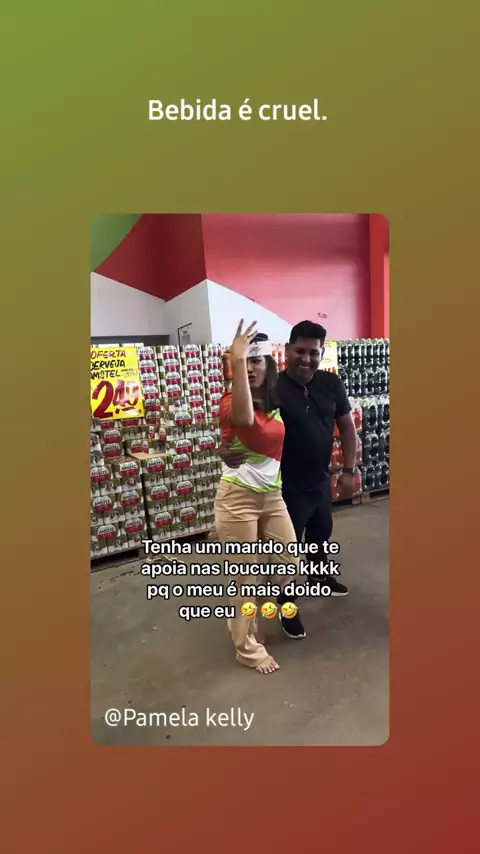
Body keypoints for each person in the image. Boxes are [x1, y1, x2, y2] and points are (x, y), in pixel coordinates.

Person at [219, 320, 358, 640]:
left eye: (313, 352)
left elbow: (347, 427)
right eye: (300, 351)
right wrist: (222, 448)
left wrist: (349, 470)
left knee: (321, 535)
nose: (306, 359)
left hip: (320, 480)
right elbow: (239, 421)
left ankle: (320, 577)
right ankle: (287, 606)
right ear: (287, 350)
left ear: (321, 353)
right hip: (284, 486)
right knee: (286, 558)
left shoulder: (331, 383)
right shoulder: (272, 386)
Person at [214, 321, 304, 675]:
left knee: (289, 563)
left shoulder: (275, 404)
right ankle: (248, 649)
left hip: (272, 497)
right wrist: (237, 362)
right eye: (244, 361)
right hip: (237, 499)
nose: (250, 367)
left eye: (256, 360)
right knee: (245, 579)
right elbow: (242, 418)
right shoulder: (230, 400)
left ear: (269, 364)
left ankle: (248, 611)